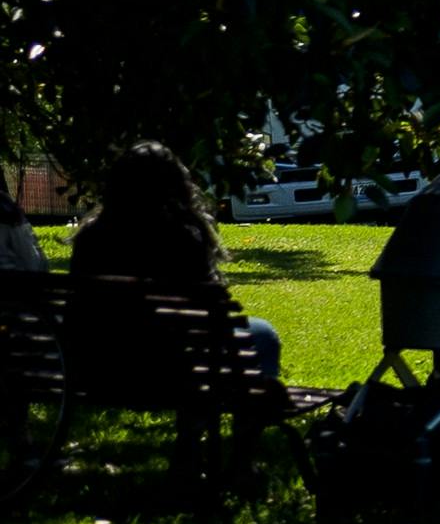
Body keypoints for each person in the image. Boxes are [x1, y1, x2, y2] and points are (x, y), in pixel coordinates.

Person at [63, 142, 285, 393]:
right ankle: (244, 415)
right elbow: (212, 312)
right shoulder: (183, 237)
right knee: (263, 333)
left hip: (99, 367)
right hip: (171, 368)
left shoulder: (92, 237)